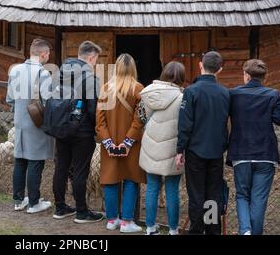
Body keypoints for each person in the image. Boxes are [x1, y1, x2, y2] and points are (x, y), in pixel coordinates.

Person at [227, 59, 280, 235]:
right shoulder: (273, 94)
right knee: (259, 199)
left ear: (246, 75)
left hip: (241, 152)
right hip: (265, 153)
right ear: (264, 77)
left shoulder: (234, 94)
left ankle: (245, 230)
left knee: (242, 195)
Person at [176, 51, 230, 235]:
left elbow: (185, 124)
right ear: (220, 70)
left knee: (196, 193)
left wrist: (180, 149)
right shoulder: (225, 93)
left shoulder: (191, 91)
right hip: (216, 151)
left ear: (200, 65)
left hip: (195, 151)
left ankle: (197, 230)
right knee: (213, 193)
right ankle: (212, 230)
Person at [52, 40, 104, 223]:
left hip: (60, 127)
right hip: (82, 132)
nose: (95, 63)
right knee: (80, 171)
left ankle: (60, 207)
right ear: (91, 57)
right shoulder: (90, 77)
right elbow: (93, 108)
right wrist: (95, 128)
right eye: (96, 59)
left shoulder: (60, 72)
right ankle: (82, 212)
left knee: (61, 167)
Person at [95, 53, 146, 233]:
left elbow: (100, 122)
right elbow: (139, 120)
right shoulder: (139, 89)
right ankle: (126, 222)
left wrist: (109, 144)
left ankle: (111, 220)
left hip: (110, 144)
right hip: (131, 146)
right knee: (131, 180)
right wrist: (127, 143)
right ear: (133, 68)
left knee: (111, 180)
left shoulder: (106, 89)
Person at [6, 38, 55, 214]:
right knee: (35, 161)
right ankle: (34, 203)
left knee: (20, 161)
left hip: (19, 122)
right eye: (48, 54)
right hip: (36, 123)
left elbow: (10, 98)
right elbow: (48, 101)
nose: (48, 57)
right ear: (43, 54)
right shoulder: (43, 74)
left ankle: (18, 200)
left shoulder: (15, 70)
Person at [139, 61, 186, 235]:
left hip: (151, 145)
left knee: (152, 187)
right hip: (172, 149)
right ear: (181, 77)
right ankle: (173, 230)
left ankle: (150, 228)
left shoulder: (148, 92)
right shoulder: (183, 98)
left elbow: (141, 117)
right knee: (172, 189)